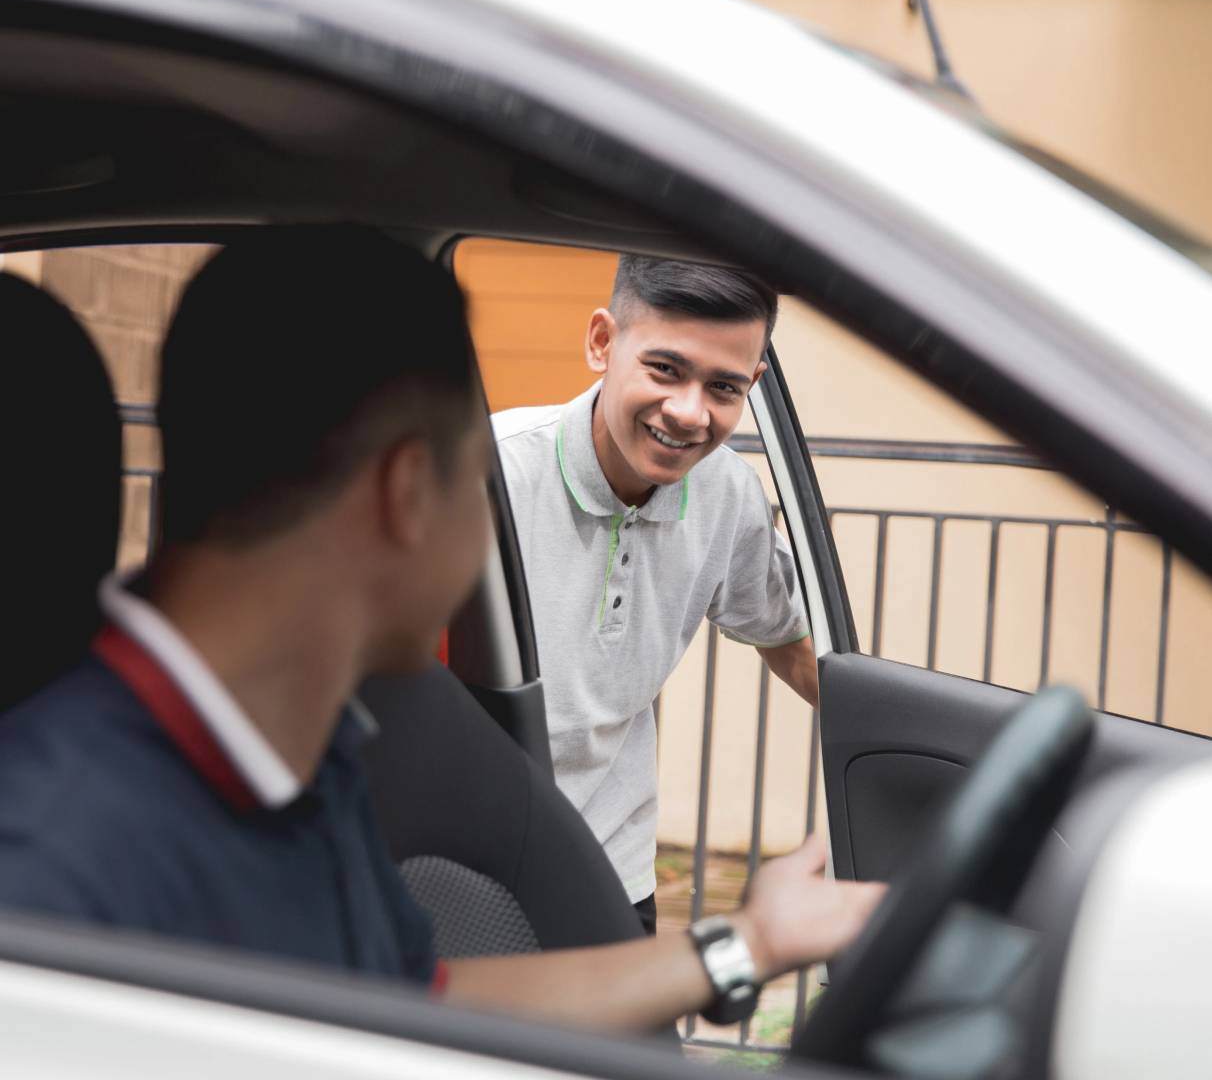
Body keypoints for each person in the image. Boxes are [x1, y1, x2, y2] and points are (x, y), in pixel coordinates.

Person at [0, 232, 880, 1033]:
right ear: (409, 493)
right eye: (476, 483)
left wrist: (750, 943)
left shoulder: (310, 757)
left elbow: (410, 1003)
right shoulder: (52, 862)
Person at [494, 256, 818, 932]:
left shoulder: (728, 493)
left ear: (752, 386)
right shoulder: (493, 472)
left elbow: (791, 645)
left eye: (724, 387)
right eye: (665, 369)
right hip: (468, 858)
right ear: (603, 344)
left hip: (610, 863)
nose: (688, 412)